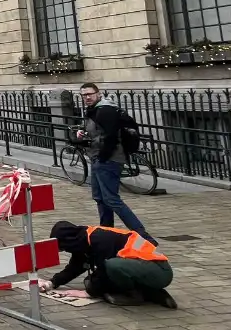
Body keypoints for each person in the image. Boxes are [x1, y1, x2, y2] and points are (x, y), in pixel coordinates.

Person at [41, 220, 177, 308]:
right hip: (148, 268)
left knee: (110, 267)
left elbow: (104, 269)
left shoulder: (100, 240)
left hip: (159, 270)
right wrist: (52, 283)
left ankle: (134, 296)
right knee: (93, 281)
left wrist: (88, 293)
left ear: (69, 242)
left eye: (64, 248)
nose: (66, 251)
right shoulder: (86, 238)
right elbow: (75, 267)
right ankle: (155, 294)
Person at [79, 82, 154, 242]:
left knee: (111, 199)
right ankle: (106, 232)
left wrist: (103, 157)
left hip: (109, 159)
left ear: (98, 94)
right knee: (99, 197)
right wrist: (84, 135)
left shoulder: (105, 110)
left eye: (89, 94)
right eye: (84, 95)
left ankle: (142, 234)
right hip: (98, 157)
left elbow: (111, 137)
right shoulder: (94, 111)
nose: (87, 97)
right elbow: (98, 133)